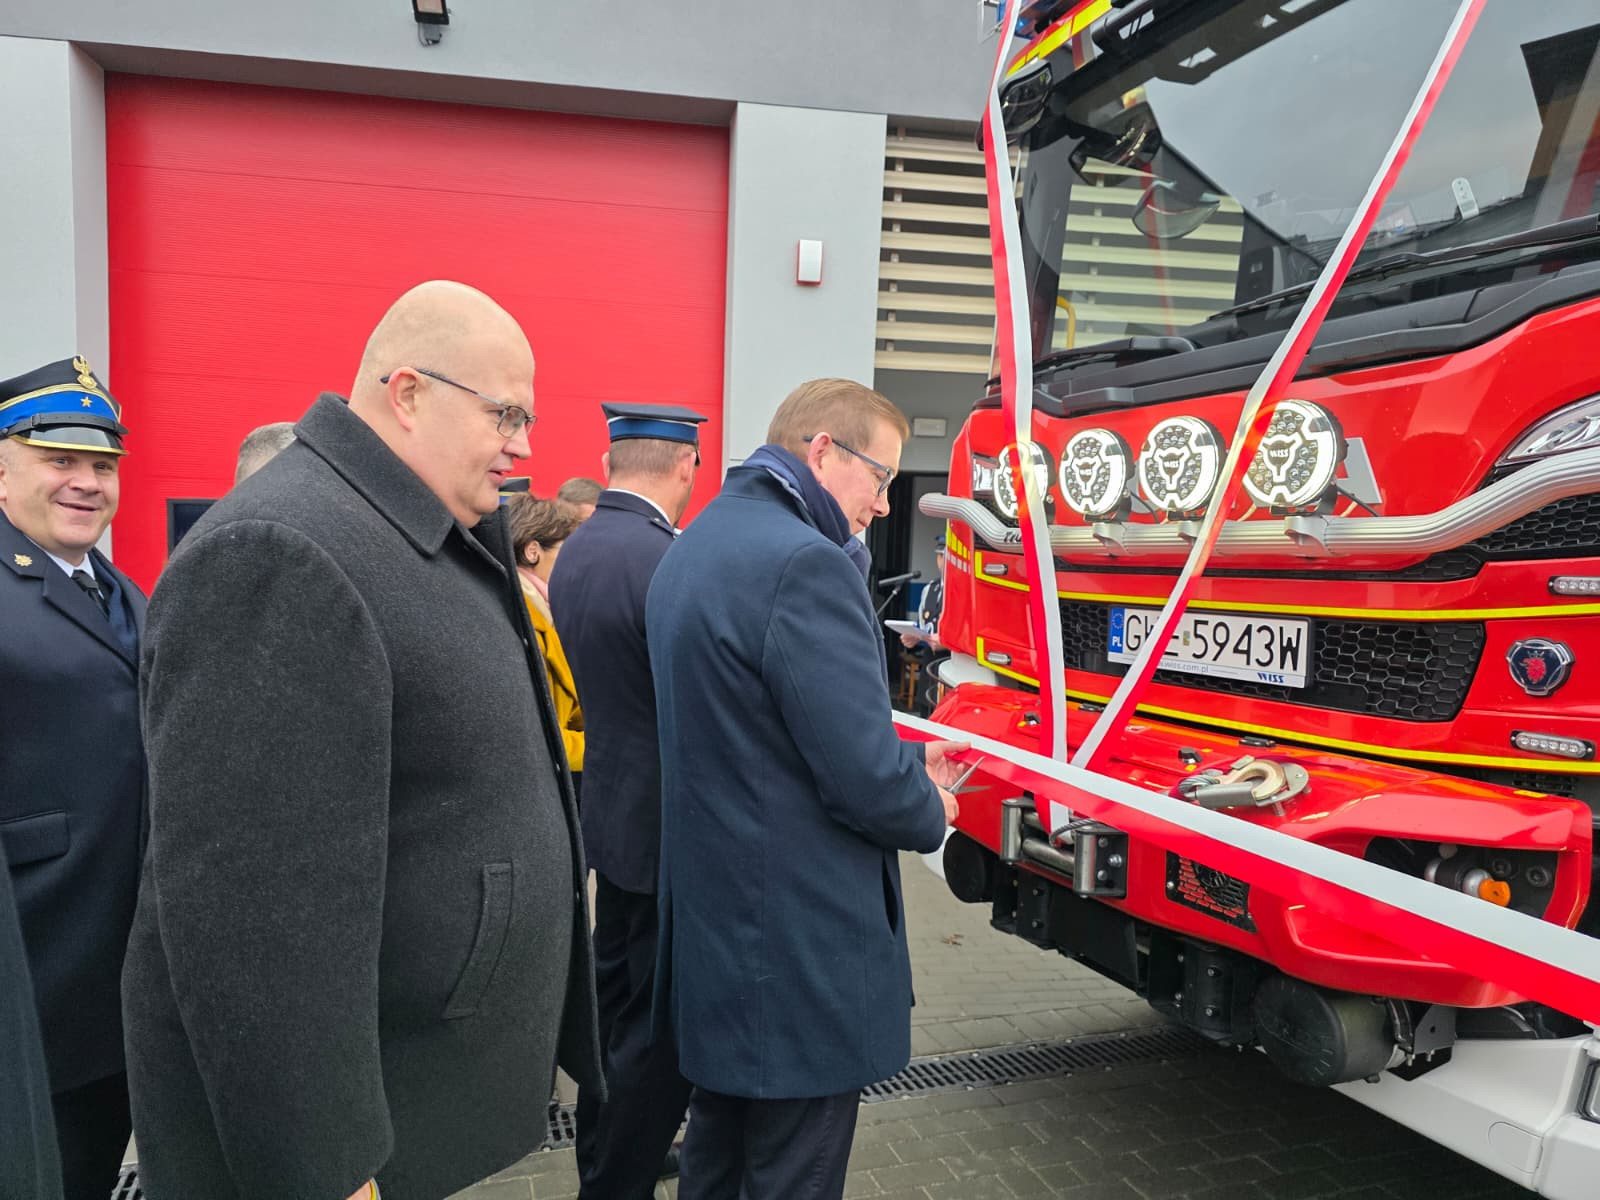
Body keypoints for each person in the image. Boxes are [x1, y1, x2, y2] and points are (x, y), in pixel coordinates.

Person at [121, 281, 601, 1200]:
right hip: (344, 1147)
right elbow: (252, 923)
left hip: (413, 1084)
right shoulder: (283, 550)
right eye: (505, 413)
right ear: (408, 392)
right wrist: (327, 1170)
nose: (526, 444)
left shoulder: (407, 528)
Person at [646, 378, 967, 1200]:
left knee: (716, 1162)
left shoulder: (697, 543)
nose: (887, 506)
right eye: (881, 477)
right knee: (793, 1174)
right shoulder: (804, 565)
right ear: (822, 450)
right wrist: (928, 800)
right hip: (795, 958)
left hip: (718, 941)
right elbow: (861, 775)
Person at [549, 402, 705, 1199]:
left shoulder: (578, 549)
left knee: (615, 1016)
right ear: (684, 466)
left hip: (612, 814)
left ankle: (599, 1158)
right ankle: (617, 1178)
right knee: (653, 1033)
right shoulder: (663, 558)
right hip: (663, 831)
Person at [0, 356, 144, 1200]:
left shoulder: (121, 591)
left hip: (114, 993)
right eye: (61, 459)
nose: (86, 482)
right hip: (32, 979)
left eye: (102, 465)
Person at [507, 493, 585, 777]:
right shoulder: (524, 616)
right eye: (565, 550)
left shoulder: (534, 607)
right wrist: (602, 750)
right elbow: (540, 739)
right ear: (532, 551)